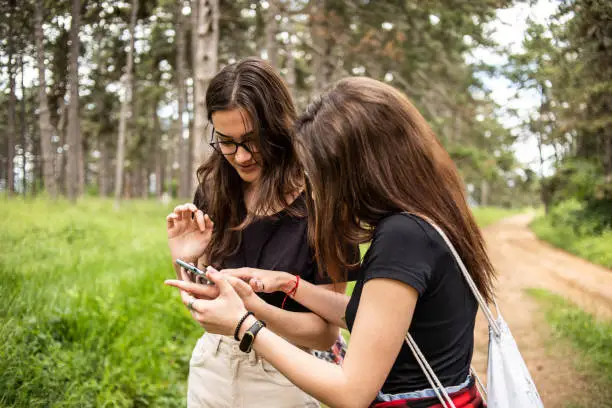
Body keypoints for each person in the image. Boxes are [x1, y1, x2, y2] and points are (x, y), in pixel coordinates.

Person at [166, 76, 494, 408]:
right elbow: (372, 316)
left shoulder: (403, 238)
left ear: (361, 168)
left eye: (325, 172)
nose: (323, 187)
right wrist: (289, 284)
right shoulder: (425, 221)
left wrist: (245, 324)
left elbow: (350, 392)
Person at [165, 57, 355, 408]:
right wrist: (187, 259)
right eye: (226, 141)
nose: (240, 157)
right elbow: (208, 307)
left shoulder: (322, 203)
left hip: (286, 377)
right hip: (213, 369)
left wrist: (251, 313)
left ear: (280, 127)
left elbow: (326, 332)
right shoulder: (214, 188)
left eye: (252, 140)